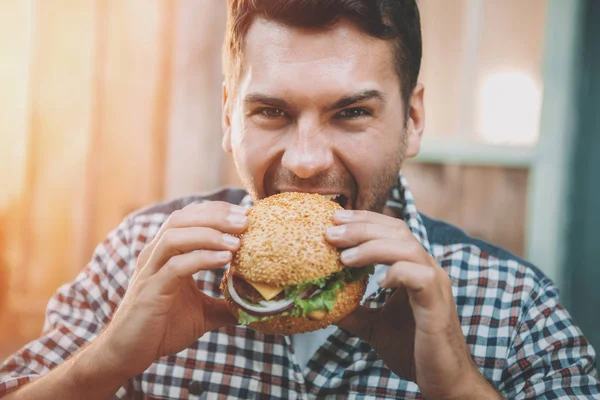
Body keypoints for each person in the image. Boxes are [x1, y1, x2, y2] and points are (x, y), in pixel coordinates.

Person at [1, 0, 599, 398]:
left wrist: (460, 385)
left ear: (413, 120)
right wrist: (105, 364)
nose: (306, 160)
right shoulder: (139, 255)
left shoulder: (517, 308)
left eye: (352, 113)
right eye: (271, 111)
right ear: (229, 116)